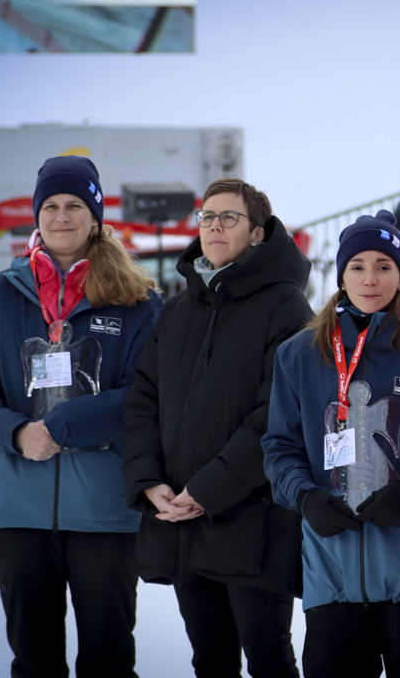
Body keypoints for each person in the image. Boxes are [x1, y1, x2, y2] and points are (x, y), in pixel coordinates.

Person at [0, 155, 162, 678]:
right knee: (34, 662)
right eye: (50, 205)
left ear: (95, 217)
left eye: (75, 205)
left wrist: (58, 428)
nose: (62, 217)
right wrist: (20, 433)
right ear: (36, 214)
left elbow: (143, 397)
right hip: (17, 512)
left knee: (108, 662)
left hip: (105, 510)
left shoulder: (138, 301)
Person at [122, 179, 312, 678]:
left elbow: (279, 414)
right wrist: (149, 483)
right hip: (182, 516)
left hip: (251, 519)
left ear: (257, 234)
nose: (214, 226)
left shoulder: (286, 306)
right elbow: (143, 400)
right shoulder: (178, 309)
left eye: (228, 217)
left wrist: (208, 489)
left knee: (269, 658)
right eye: (207, 217)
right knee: (210, 659)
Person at [262, 209, 400, 678]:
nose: (371, 279)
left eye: (384, 266)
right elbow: (279, 448)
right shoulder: (300, 353)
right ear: (342, 275)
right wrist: (306, 497)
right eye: (358, 266)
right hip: (331, 570)